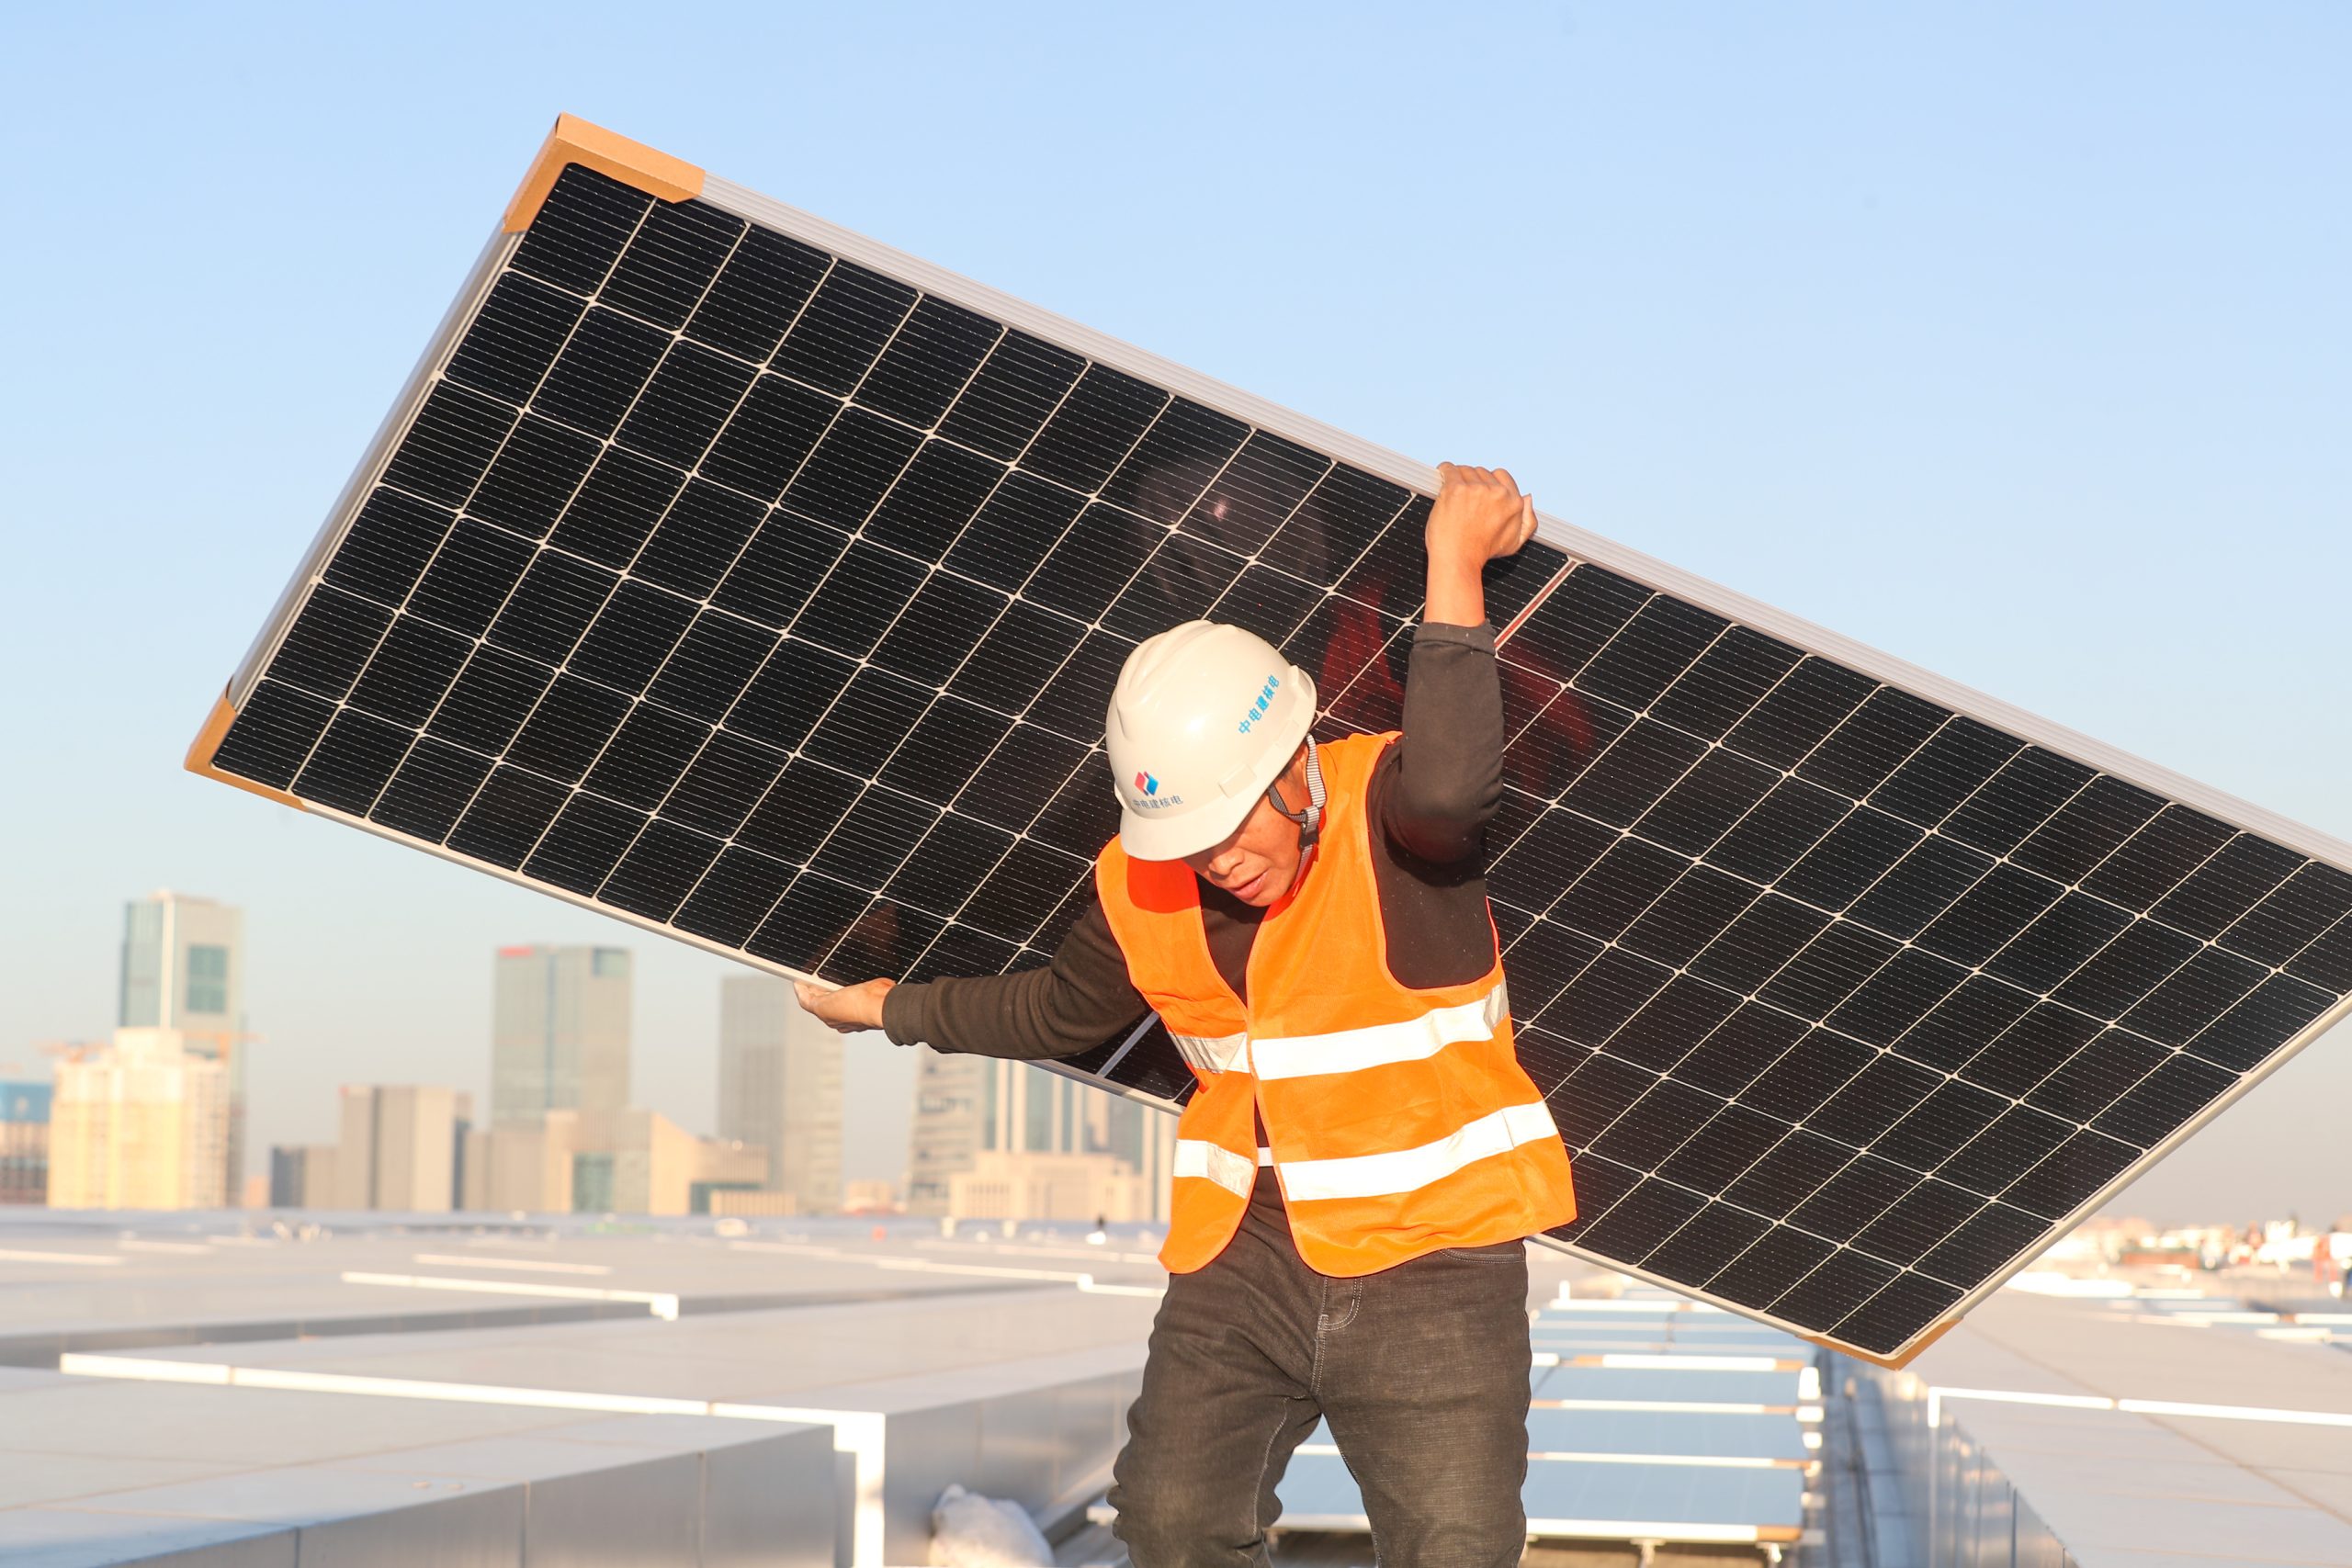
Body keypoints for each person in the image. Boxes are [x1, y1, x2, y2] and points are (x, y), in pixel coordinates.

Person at [798, 463, 1576, 1567]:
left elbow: (1454, 789)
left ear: (1293, 768)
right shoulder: (1144, 878)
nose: (1218, 862)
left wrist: (1453, 566)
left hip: (1436, 1264)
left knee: (1454, 1549)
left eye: (1232, 829)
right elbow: (1061, 1008)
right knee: (1167, 1524)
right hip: (1241, 1259)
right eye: (1190, 842)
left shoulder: (1388, 818)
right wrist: (893, 1010)